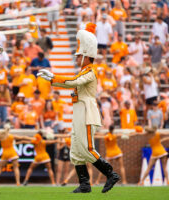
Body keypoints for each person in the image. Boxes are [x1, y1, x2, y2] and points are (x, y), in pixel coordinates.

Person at [38, 23, 120, 193]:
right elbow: (72, 82)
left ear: (85, 56)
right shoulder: (83, 71)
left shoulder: (89, 71)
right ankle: (84, 183)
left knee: (87, 148)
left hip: (87, 112)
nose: (76, 58)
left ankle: (111, 173)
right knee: (75, 150)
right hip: (79, 112)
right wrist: (53, 80)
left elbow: (73, 82)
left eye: (78, 56)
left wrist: (53, 77)